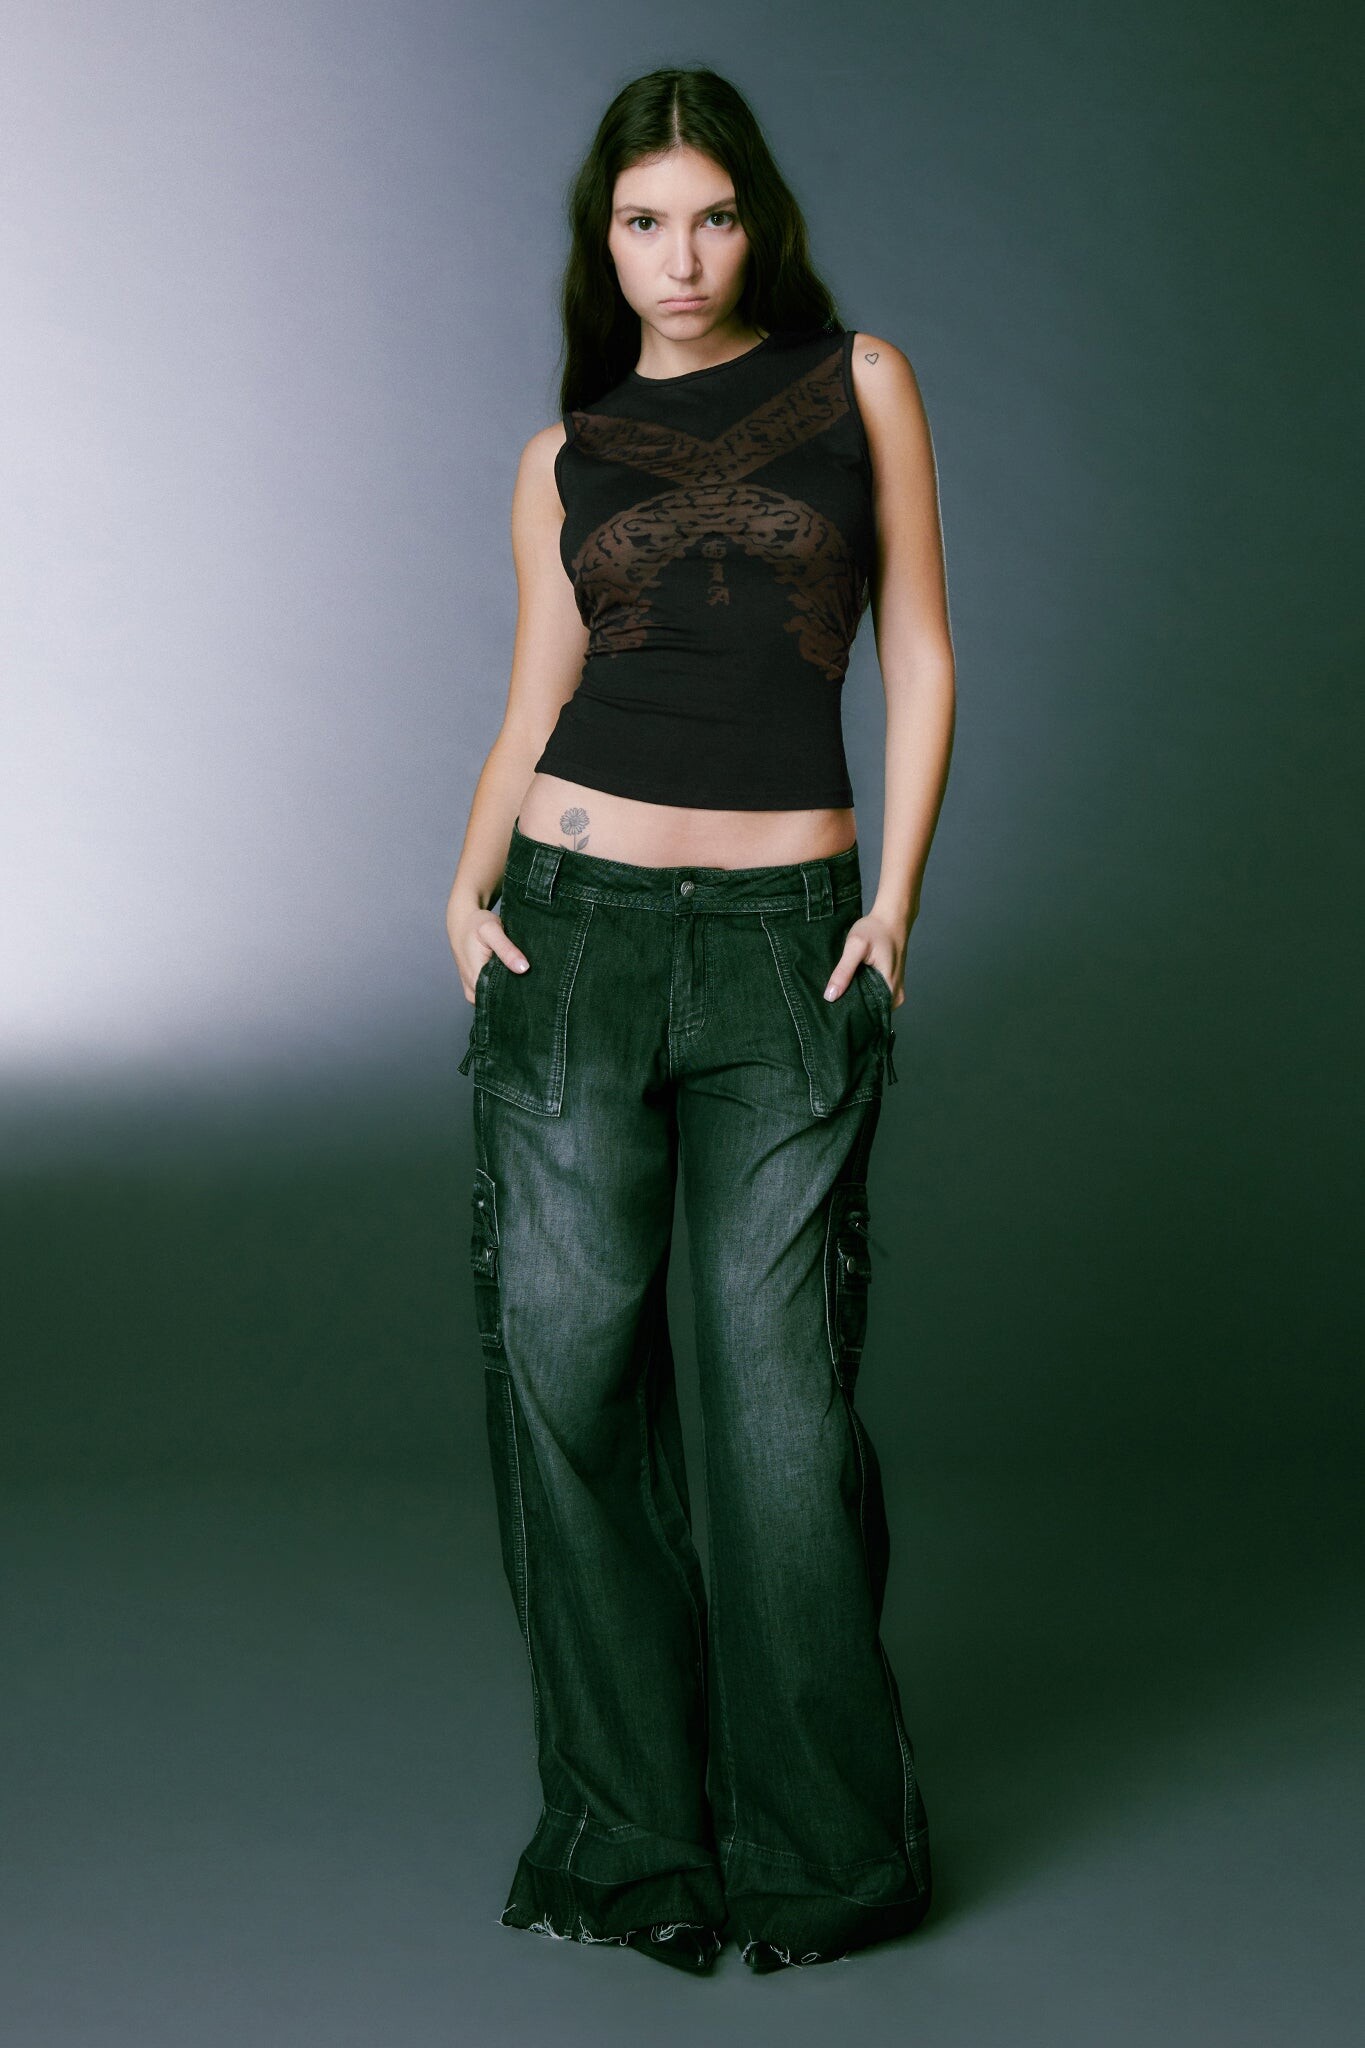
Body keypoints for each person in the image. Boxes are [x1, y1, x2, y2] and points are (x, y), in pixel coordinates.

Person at [445, 65, 955, 1975]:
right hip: (568, 933)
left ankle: (823, 1854)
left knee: (778, 1408)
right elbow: (531, 704)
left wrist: (895, 901)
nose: (680, 257)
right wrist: (462, 886)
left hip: (785, 945)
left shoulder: (858, 381)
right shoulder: (561, 454)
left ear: (760, 224)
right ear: (604, 243)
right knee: (567, 1380)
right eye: (643, 222)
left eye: (712, 216)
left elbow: (920, 649)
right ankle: (631, 1838)